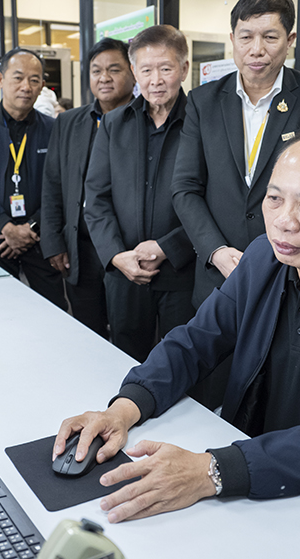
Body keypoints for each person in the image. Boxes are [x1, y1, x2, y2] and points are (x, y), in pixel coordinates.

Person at [54, 122, 300, 523]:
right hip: (252, 473)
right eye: (274, 199)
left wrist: (210, 471)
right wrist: (124, 409)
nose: (284, 221)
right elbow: (195, 342)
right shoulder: (263, 258)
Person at [173, 0, 300, 309]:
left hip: (291, 271)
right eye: (246, 37)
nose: (256, 49)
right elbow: (185, 187)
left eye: (270, 37)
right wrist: (215, 251)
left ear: (290, 40)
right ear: (232, 39)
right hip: (218, 272)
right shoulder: (203, 102)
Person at [83, 26, 196, 362]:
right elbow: (96, 198)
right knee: (125, 359)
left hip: (183, 272)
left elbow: (213, 199)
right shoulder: (114, 124)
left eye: (166, 68)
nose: (155, 80)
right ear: (135, 72)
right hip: (125, 273)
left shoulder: (202, 123)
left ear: (184, 69)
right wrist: (116, 255)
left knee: (183, 362)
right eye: (146, 70)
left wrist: (167, 247)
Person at [41, 38, 135, 339]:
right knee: (87, 331)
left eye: (114, 69)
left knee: (128, 334)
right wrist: (54, 242)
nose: (104, 78)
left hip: (127, 247)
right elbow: (53, 183)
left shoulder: (144, 121)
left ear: (133, 72)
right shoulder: (68, 122)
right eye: (96, 71)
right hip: (79, 249)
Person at [0, 48, 66, 309]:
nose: (26, 87)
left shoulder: (54, 129)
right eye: (18, 78)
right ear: (0, 79)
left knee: (53, 312)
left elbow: (60, 187)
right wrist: (6, 228)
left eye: (34, 80)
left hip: (39, 240)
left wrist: (30, 228)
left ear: (42, 86)